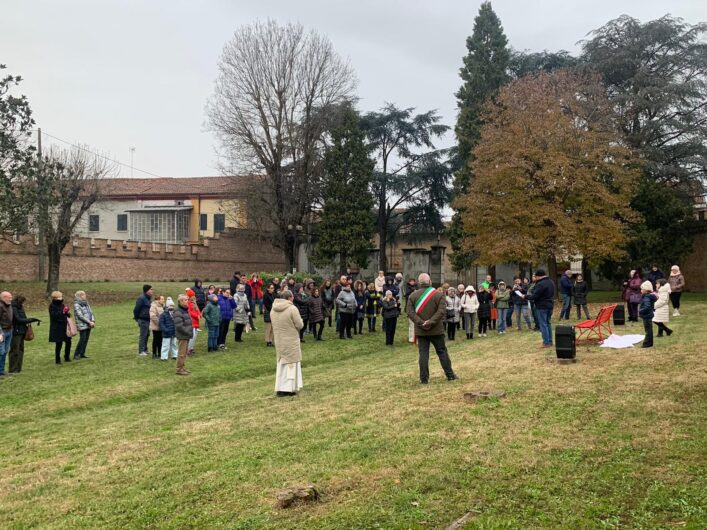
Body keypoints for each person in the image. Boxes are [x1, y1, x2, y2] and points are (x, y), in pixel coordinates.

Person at [406, 273, 457, 384]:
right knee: (442, 352)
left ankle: (424, 379)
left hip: (421, 330)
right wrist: (431, 321)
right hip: (436, 329)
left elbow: (409, 312)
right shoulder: (438, 295)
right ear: (430, 282)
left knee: (423, 354)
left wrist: (421, 322)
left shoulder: (413, 296)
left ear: (419, 283)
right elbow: (442, 311)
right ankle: (450, 375)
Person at [270, 290, 304, 397]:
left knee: (281, 365)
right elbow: (299, 325)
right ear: (289, 298)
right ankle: (288, 389)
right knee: (291, 365)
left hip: (279, 340)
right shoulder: (292, 308)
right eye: (292, 297)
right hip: (290, 340)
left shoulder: (273, 309)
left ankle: (280, 388)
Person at [523, 269, 556, 348]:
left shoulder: (540, 284)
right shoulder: (551, 282)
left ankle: (546, 342)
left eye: (535, 276)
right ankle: (550, 341)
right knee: (548, 323)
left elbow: (535, 296)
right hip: (550, 305)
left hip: (542, 306)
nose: (535, 278)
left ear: (538, 276)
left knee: (543, 324)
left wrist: (525, 296)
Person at [8, 295, 41, 373]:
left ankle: (18, 368)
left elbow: (23, 318)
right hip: (16, 331)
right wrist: (30, 320)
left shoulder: (20, 307)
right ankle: (13, 369)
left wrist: (29, 321)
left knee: (21, 350)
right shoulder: (13, 307)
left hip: (22, 330)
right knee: (15, 350)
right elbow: (18, 319)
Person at [49, 291, 72, 364]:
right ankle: (57, 359)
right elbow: (54, 316)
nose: (61, 297)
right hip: (57, 327)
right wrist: (62, 312)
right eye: (60, 296)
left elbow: (66, 314)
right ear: (55, 298)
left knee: (68, 341)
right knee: (59, 343)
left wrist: (67, 312)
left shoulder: (62, 304)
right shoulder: (52, 306)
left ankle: (67, 357)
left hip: (65, 326)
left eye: (61, 296)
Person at [173, 294, 193, 375]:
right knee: (181, 353)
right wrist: (187, 332)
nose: (187, 301)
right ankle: (179, 369)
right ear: (181, 301)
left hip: (186, 335)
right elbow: (179, 326)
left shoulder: (185, 310)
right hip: (182, 335)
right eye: (185, 300)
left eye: (187, 300)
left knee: (184, 353)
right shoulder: (178, 311)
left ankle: (182, 367)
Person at [73, 290, 96, 360]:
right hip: (82, 324)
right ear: (80, 296)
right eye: (84, 295)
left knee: (86, 339)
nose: (85, 296)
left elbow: (90, 312)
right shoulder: (76, 304)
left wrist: (92, 320)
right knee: (82, 339)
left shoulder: (86, 303)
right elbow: (80, 315)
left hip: (89, 324)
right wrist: (89, 322)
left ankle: (82, 353)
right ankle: (76, 354)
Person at [133, 284, 153, 356]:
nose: (152, 291)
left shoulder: (149, 298)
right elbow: (136, 309)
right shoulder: (141, 298)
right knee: (143, 335)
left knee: (147, 335)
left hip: (148, 319)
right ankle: (141, 351)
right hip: (143, 319)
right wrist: (137, 318)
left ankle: (145, 349)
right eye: (151, 289)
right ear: (147, 290)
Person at [639, 281, 657, 348]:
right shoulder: (649, 296)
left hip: (647, 315)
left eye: (642, 289)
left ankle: (646, 344)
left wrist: (641, 311)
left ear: (646, 290)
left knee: (648, 330)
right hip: (649, 314)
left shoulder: (647, 297)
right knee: (649, 329)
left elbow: (647, 306)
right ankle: (649, 343)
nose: (640, 290)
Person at [0, 291, 14, 376]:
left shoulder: (9, 305)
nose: (11, 299)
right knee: (1, 352)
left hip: (9, 331)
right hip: (2, 332)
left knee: (5, 351)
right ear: (4, 297)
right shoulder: (0, 306)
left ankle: (1, 371)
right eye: (9, 297)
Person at [185, 289, 201, 354]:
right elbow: (189, 312)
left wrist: (199, 314)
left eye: (194, 295)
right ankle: (187, 349)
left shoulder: (194, 303)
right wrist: (196, 316)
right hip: (191, 321)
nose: (194, 297)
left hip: (196, 322)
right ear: (189, 296)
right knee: (192, 336)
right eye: (192, 296)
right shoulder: (187, 303)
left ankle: (191, 348)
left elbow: (197, 310)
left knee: (195, 336)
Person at [149, 295, 165, 359]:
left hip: (161, 327)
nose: (163, 300)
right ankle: (154, 353)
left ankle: (160, 353)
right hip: (155, 326)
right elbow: (153, 316)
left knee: (161, 340)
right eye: (162, 299)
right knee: (156, 340)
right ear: (158, 300)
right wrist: (160, 323)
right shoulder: (153, 306)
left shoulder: (163, 306)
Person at [404, 277, 417, 343]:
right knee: (411, 325)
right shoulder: (407, 287)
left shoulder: (416, 287)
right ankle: (411, 338)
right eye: (411, 281)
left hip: (416, 308)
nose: (412, 282)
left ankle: (416, 337)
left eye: (413, 281)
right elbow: (406, 295)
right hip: (410, 307)